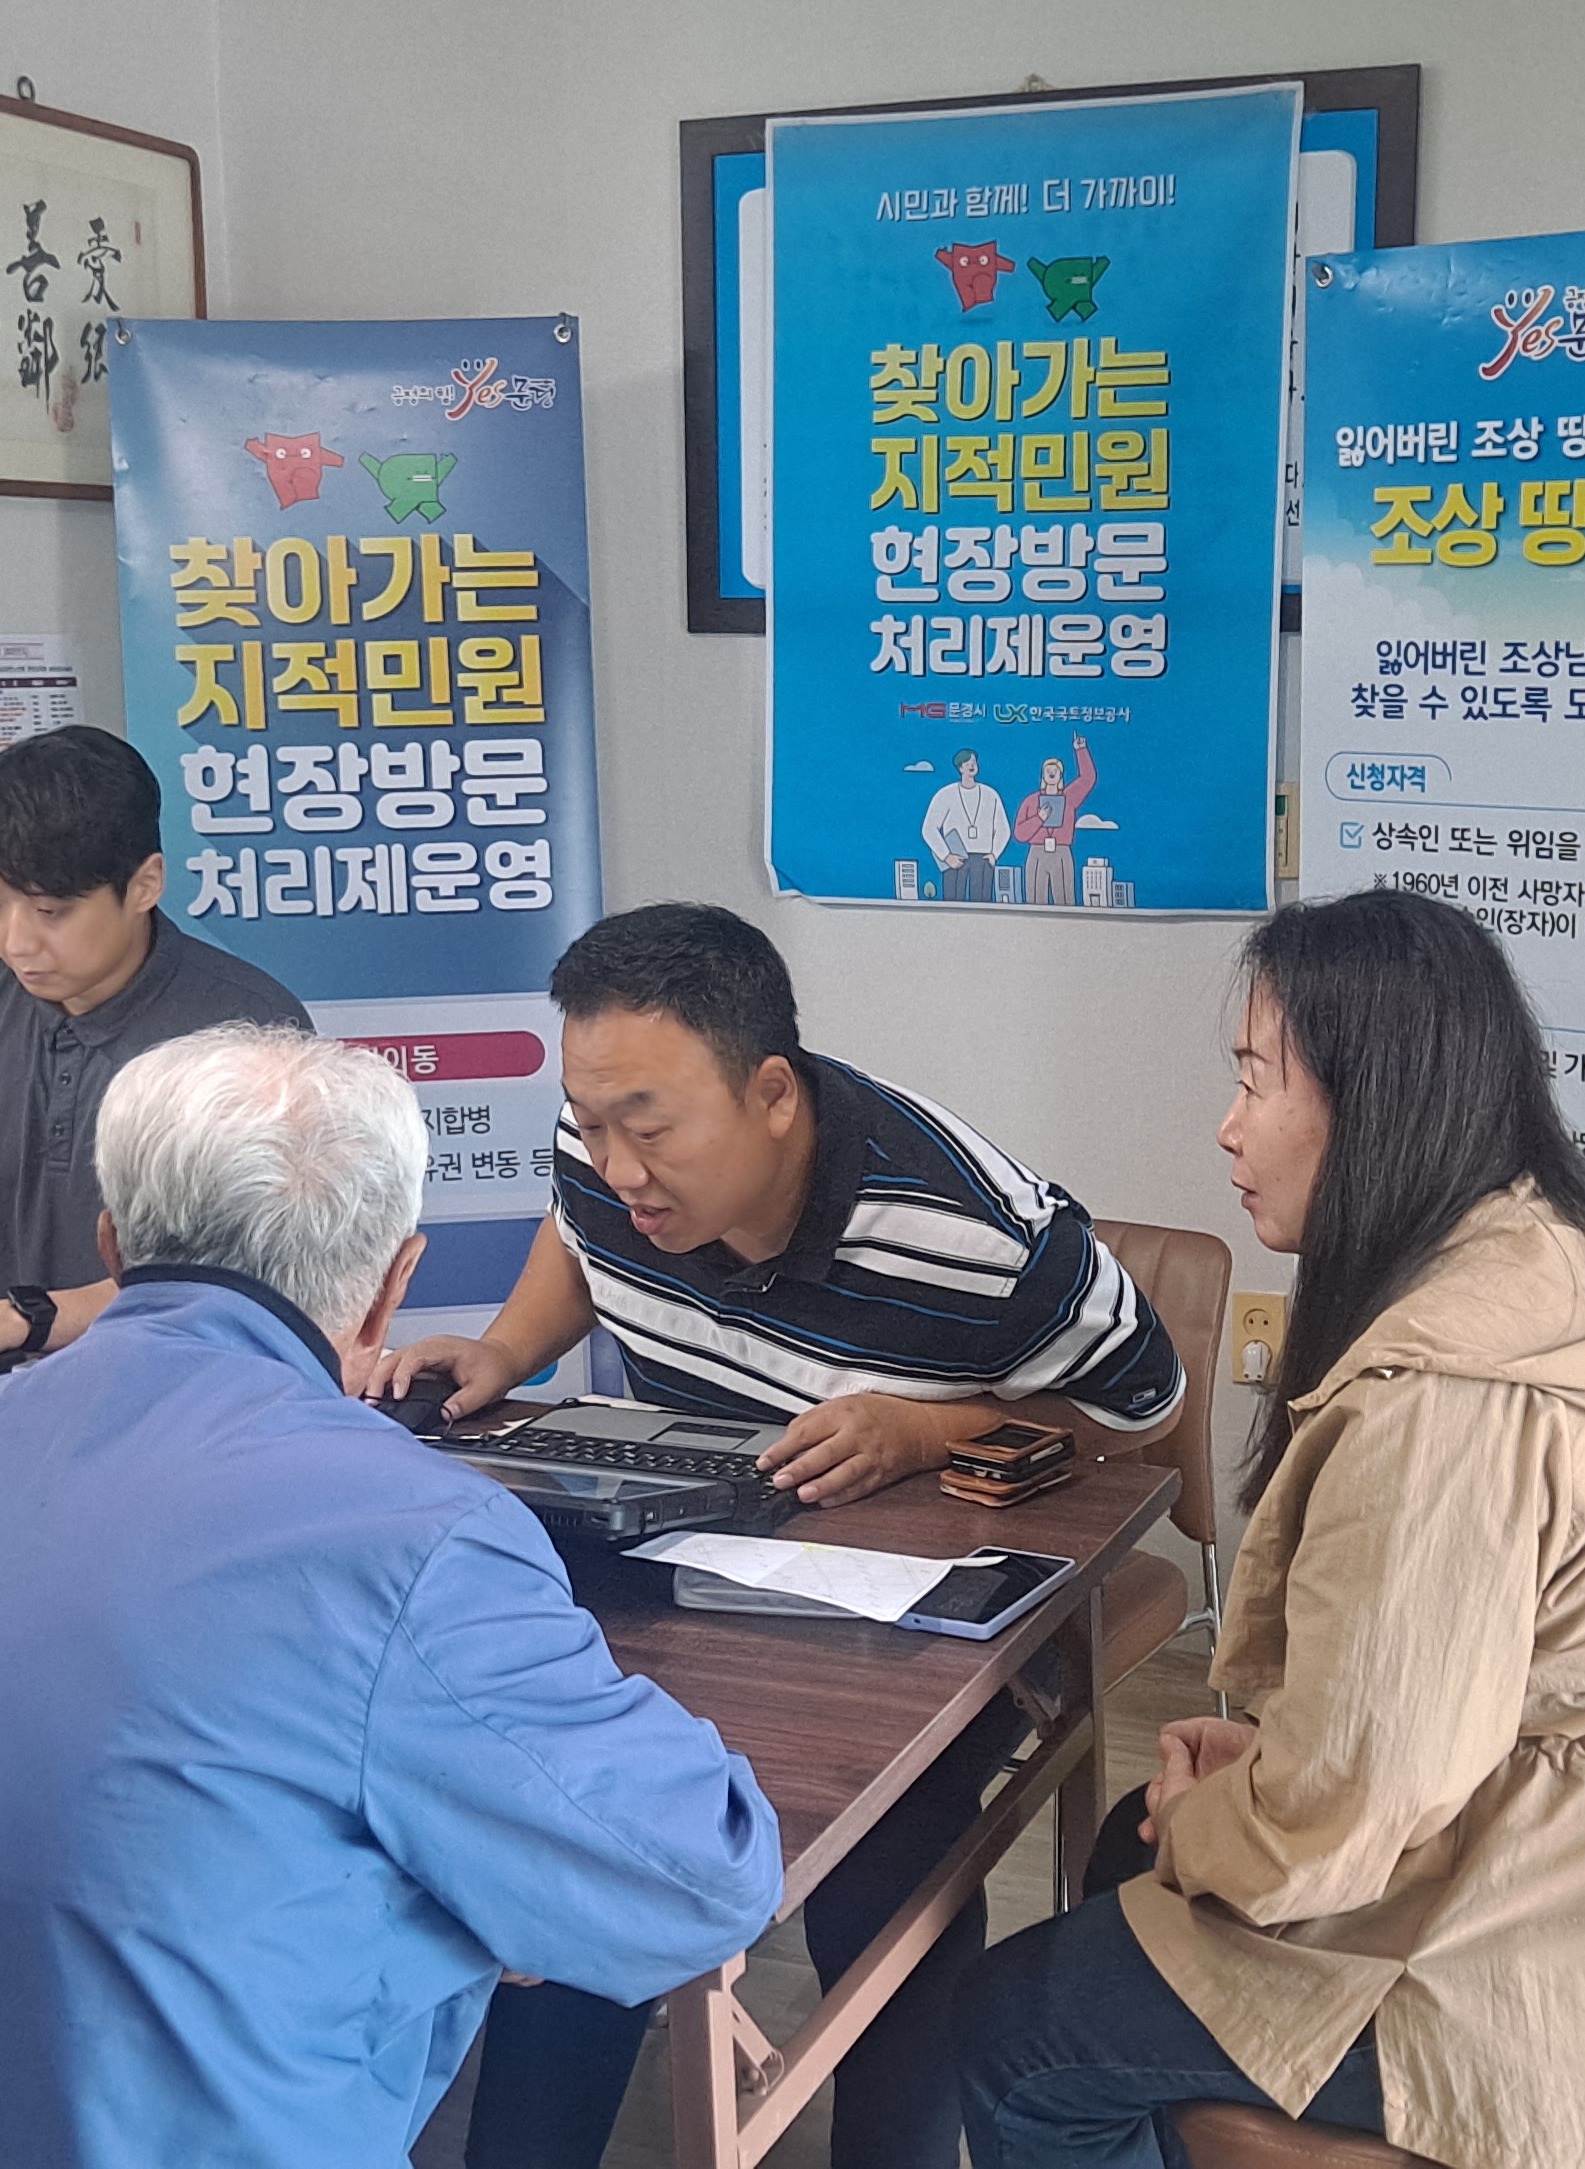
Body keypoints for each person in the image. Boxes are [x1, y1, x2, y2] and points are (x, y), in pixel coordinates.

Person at [0, 1023, 781, 2168]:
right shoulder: (412, 1532)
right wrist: (473, 1889)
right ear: (391, 1285)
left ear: (112, 1244)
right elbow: (696, 1880)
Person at [958, 888, 1585, 2169]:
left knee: (1011, 2030)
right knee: (1124, 1849)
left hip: (1545, 1967)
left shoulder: (1447, 1403)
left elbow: (1350, 1813)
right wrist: (1272, 1770)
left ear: (1371, 1103)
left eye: (1254, 1082)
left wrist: (1231, 1807)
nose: (1226, 1127)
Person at [375, 900, 1184, 2169]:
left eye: (649, 1129)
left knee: (887, 1869)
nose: (616, 1165)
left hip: (897, 1602)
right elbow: (581, 1236)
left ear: (769, 1094)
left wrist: (928, 1431)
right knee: (583, 1833)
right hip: (687, 1558)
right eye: (590, 1121)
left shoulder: (977, 1236)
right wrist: (504, 1349)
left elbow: (1142, 1408)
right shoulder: (603, 1148)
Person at [0, 724, 306, 1378]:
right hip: (9, 1404)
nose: (16, 941)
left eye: (50, 912)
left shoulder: (249, 1034)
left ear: (145, 885)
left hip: (189, 1404)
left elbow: (247, 1281)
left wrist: (16, 1319)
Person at [1014, 736, 1097, 907]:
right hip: (1037, 852)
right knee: (1035, 901)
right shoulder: (1031, 801)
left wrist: (1081, 750)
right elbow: (1020, 834)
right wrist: (1039, 819)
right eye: (1048, 770)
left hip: (1061, 851)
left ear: (1061, 775)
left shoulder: (1069, 797)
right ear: (1043, 775)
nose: (1051, 773)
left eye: (1055, 771)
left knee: (1065, 900)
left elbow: (1088, 778)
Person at [921, 747, 1008, 902]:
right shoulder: (946, 794)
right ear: (960, 768)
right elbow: (929, 828)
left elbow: (1003, 828)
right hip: (956, 857)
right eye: (966, 763)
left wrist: (995, 853)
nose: (971, 765)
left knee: (982, 904)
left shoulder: (990, 794)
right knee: (952, 902)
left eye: (973, 762)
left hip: (982, 857)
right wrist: (946, 856)